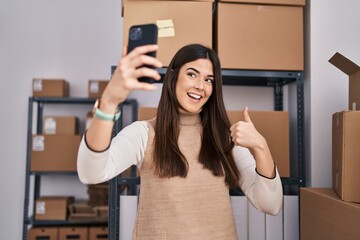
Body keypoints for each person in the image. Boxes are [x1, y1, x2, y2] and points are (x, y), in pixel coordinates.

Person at [77, 43, 283, 240]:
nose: (200, 86)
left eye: (209, 80)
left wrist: (260, 147)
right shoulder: (144, 134)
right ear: (173, 78)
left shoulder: (224, 138)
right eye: (192, 74)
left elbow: (271, 205)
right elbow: (91, 173)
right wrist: (109, 104)